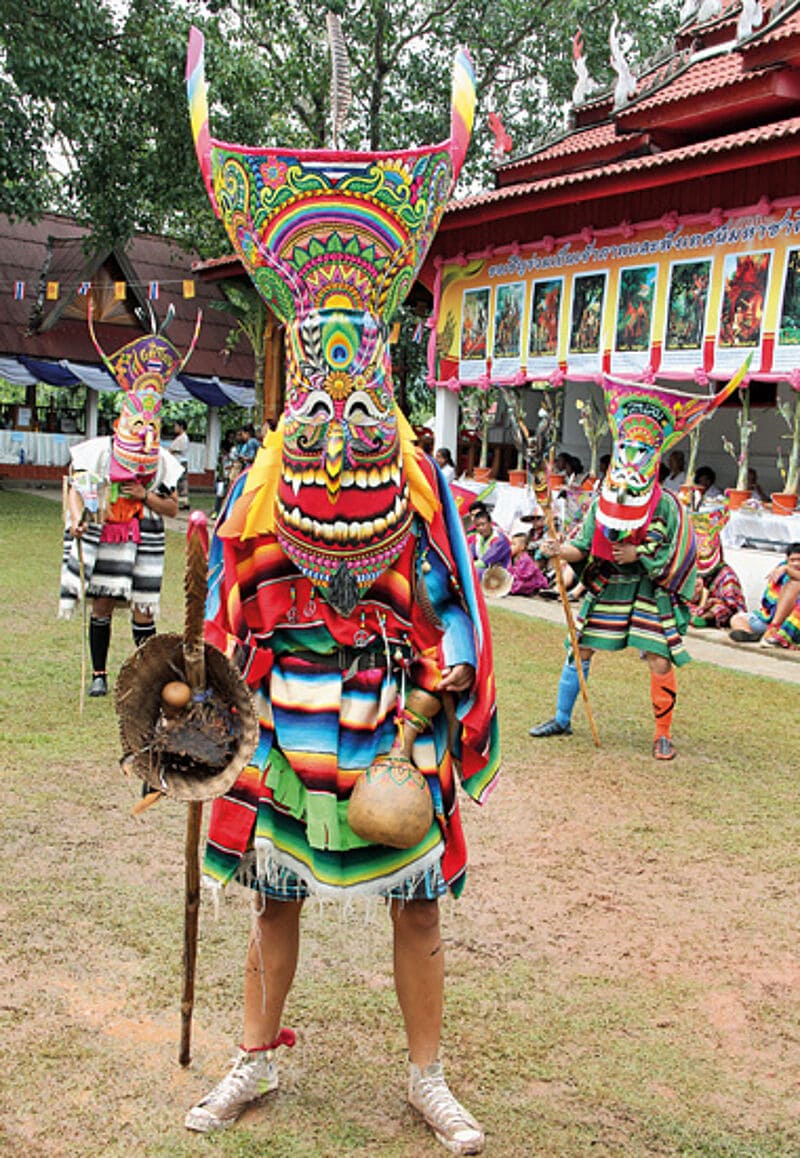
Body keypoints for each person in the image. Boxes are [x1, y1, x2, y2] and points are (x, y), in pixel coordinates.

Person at [184, 32, 498, 1155]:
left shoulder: (419, 488)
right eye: (318, 396)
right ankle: (252, 1060)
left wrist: (421, 726)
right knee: (275, 895)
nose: (339, 426)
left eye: (357, 392)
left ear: (380, 374)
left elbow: (450, 615)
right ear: (295, 390)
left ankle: (428, 1077)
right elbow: (227, 627)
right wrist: (237, 729)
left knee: (416, 903)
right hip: (289, 713)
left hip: (385, 716)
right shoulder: (260, 496)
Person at [529, 372, 742, 760]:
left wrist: (640, 555)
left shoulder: (668, 505)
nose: (629, 458)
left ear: (653, 458)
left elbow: (682, 551)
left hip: (651, 590)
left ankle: (663, 734)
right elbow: (583, 546)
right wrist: (560, 549)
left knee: (659, 658)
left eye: (640, 451)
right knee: (581, 649)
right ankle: (561, 718)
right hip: (610, 586)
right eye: (625, 448)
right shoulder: (601, 501)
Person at [58, 309, 200, 696]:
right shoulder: (101, 452)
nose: (144, 433)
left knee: (143, 606)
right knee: (102, 602)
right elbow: (74, 487)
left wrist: (145, 496)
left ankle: (146, 678)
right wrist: (76, 520)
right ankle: (100, 677)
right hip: (107, 530)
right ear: (123, 420)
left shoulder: (163, 462)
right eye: (138, 425)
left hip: (146, 534)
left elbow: (173, 509)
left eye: (151, 426)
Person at [687, 498, 746, 628]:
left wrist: (709, 604)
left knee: (721, 609)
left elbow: (732, 604)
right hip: (693, 606)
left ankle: (704, 618)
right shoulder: (689, 566)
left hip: (714, 608)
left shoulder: (726, 574)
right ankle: (692, 615)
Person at [729, 542, 800, 649]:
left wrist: (787, 570)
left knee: (794, 583)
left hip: (790, 622)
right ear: (787, 559)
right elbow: (770, 599)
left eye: (799, 560)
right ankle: (755, 636)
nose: (796, 564)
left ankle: (773, 632)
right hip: (769, 618)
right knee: (737, 619)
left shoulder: (786, 572)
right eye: (792, 560)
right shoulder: (780, 570)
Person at [508, 520, 548, 596]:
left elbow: (526, 575)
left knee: (520, 584)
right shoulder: (512, 558)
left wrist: (514, 577)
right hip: (517, 579)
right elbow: (509, 570)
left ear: (522, 547)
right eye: (511, 544)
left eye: (513, 544)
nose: (511, 547)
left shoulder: (525, 559)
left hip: (531, 580)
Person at [468, 501, 511, 573]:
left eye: (483, 524)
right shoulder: (477, 538)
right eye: (478, 526)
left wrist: (467, 566)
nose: (481, 528)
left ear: (490, 523)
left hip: (501, 575)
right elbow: (469, 556)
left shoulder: (499, 540)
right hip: (487, 573)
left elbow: (484, 563)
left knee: (476, 572)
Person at [169, 418, 190, 510]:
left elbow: (177, 450)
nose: (175, 428)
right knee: (179, 482)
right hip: (177, 462)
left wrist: (170, 450)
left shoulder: (183, 438)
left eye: (176, 426)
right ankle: (181, 501)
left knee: (181, 482)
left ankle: (183, 501)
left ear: (181, 427)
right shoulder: (180, 437)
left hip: (180, 462)